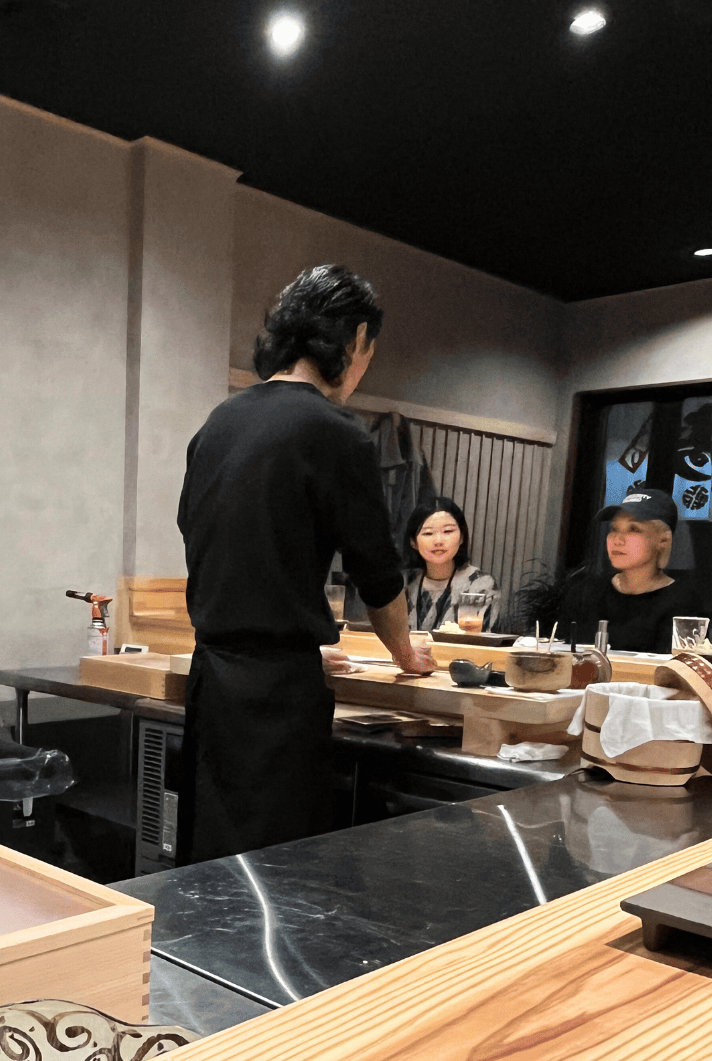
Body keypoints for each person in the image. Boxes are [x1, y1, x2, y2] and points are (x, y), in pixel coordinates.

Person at [175, 263, 435, 866]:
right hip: (278, 695)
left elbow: (198, 528)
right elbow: (376, 570)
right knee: (272, 866)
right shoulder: (337, 433)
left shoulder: (221, 420)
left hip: (213, 677)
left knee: (211, 858)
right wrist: (404, 654)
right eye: (369, 348)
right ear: (352, 343)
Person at [564, 486, 706, 652]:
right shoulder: (585, 592)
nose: (617, 540)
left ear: (663, 540)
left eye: (633, 529)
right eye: (614, 529)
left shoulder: (683, 604)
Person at [402, 499, 499, 631]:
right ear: (413, 542)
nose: (438, 541)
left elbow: (483, 642)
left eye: (447, 531)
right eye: (428, 533)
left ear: (462, 537)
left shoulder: (479, 584)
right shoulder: (403, 583)